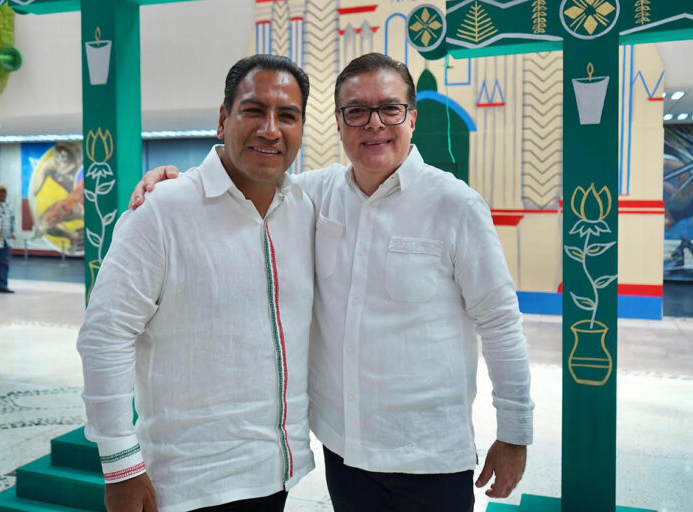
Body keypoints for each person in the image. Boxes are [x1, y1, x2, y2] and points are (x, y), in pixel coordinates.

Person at [133, 53, 534, 512]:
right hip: (344, 452)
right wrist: (175, 183)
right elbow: (241, 182)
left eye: (390, 108)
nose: (374, 123)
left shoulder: (456, 207)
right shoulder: (313, 195)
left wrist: (514, 433)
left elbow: (500, 323)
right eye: (356, 111)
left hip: (429, 454)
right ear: (339, 124)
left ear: (412, 118)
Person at [76, 55, 316, 512]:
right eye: (253, 110)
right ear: (224, 119)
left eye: (287, 116)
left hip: (276, 474)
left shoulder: (305, 208)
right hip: (188, 485)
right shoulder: (162, 211)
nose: (270, 129)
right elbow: (105, 336)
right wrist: (120, 465)